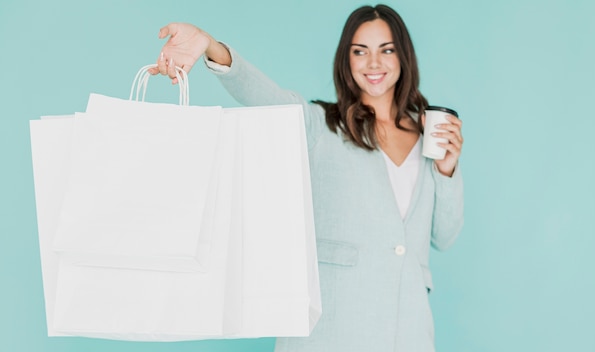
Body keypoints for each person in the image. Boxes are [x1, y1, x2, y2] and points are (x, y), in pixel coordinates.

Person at [149, 4, 463, 352]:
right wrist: (210, 45)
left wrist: (447, 169)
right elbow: (264, 97)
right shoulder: (321, 125)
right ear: (347, 61)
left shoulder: (426, 137)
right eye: (360, 52)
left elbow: (444, 237)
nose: (374, 64)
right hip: (331, 330)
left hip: (408, 333)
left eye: (386, 50)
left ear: (403, 57)